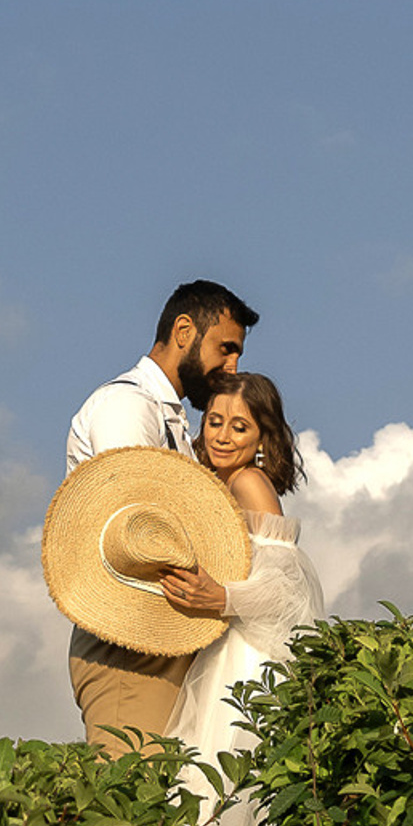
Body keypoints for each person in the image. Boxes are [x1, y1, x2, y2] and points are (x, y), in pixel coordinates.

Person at [64, 280, 258, 751]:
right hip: (128, 649)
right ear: (185, 331)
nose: (232, 366)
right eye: (226, 348)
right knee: (132, 806)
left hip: (159, 641)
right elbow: (135, 518)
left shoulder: (168, 415)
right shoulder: (127, 406)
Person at [160, 369, 328, 826]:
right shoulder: (218, 485)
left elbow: (286, 585)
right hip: (232, 647)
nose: (223, 435)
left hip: (248, 657)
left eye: (240, 427)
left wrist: (222, 599)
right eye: (214, 421)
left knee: (222, 800)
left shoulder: (248, 483)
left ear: (262, 439)